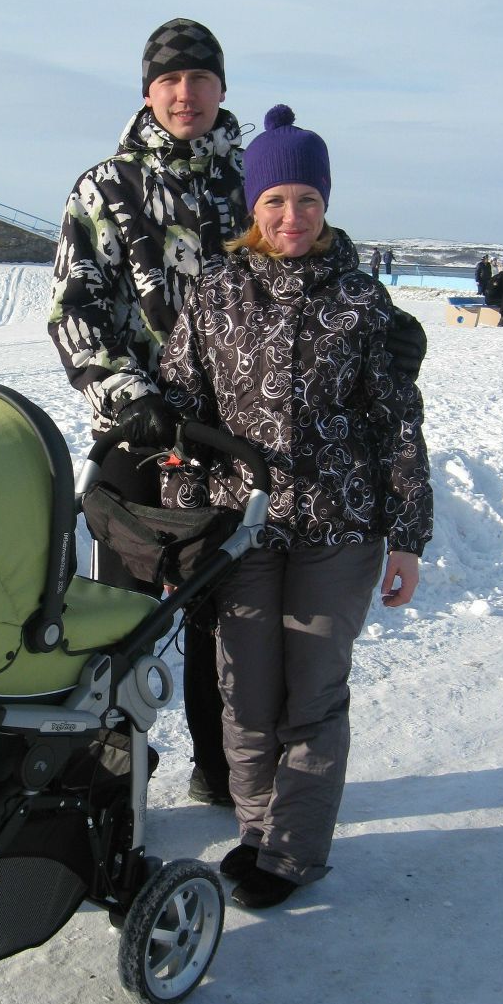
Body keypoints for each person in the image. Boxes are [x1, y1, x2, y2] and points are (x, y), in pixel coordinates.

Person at [49, 22, 429, 808]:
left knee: (222, 609)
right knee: (122, 616)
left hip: (239, 441)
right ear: (147, 91)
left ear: (223, 88)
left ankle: (226, 771)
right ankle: (108, 789)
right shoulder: (107, 187)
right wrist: (132, 399)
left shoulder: (249, 178)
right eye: (169, 80)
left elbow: (315, 262)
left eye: (200, 78)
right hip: (143, 435)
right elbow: (73, 309)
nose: (185, 94)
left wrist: (395, 336)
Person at [159, 105, 433, 909]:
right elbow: (184, 416)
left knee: (312, 696)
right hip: (241, 529)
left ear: (326, 202)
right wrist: (182, 527)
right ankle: (256, 831)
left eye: (307, 199)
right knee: (245, 695)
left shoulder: (363, 299)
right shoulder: (214, 291)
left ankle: (292, 854)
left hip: (339, 530)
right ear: (254, 207)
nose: (292, 216)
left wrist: (407, 536)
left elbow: (397, 421)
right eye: (275, 200)